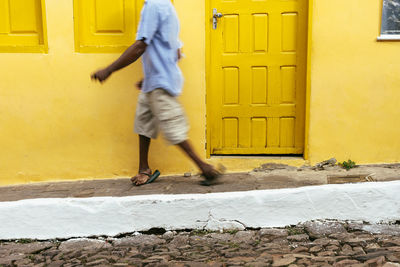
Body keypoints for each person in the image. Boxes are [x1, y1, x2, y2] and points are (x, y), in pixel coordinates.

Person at [91, 0, 221, 186]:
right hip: (155, 80)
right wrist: (151, 75)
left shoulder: (154, 6)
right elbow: (175, 50)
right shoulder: (166, 6)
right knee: (143, 122)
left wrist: (109, 70)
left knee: (173, 128)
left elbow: (140, 46)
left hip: (161, 82)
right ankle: (144, 168)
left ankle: (205, 168)